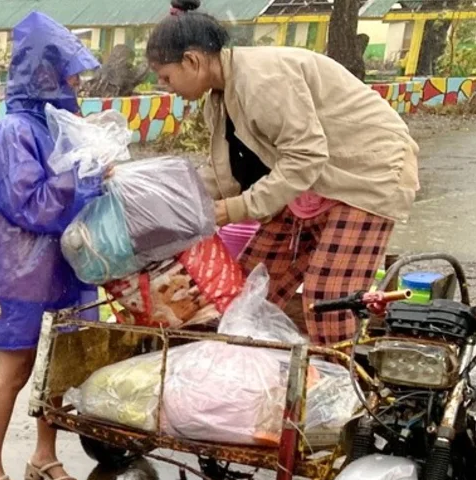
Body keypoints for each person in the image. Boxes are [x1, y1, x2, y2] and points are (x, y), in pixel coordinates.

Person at [146, 0, 419, 345]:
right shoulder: (219, 98)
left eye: (166, 77)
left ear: (192, 61)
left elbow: (305, 157)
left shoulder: (261, 80)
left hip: (365, 173)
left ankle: (336, 386)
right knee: (248, 287)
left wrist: (234, 210)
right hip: (312, 182)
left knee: (327, 299)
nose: (166, 86)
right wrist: (161, 196)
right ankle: (243, 373)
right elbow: (224, 176)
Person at [0, 12, 101, 480]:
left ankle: (44, 455)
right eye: (69, 74)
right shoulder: (14, 133)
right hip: (20, 266)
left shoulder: (57, 124)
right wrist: (82, 175)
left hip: (60, 261)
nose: (77, 83)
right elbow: (30, 204)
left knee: (59, 363)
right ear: (44, 73)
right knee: (16, 368)